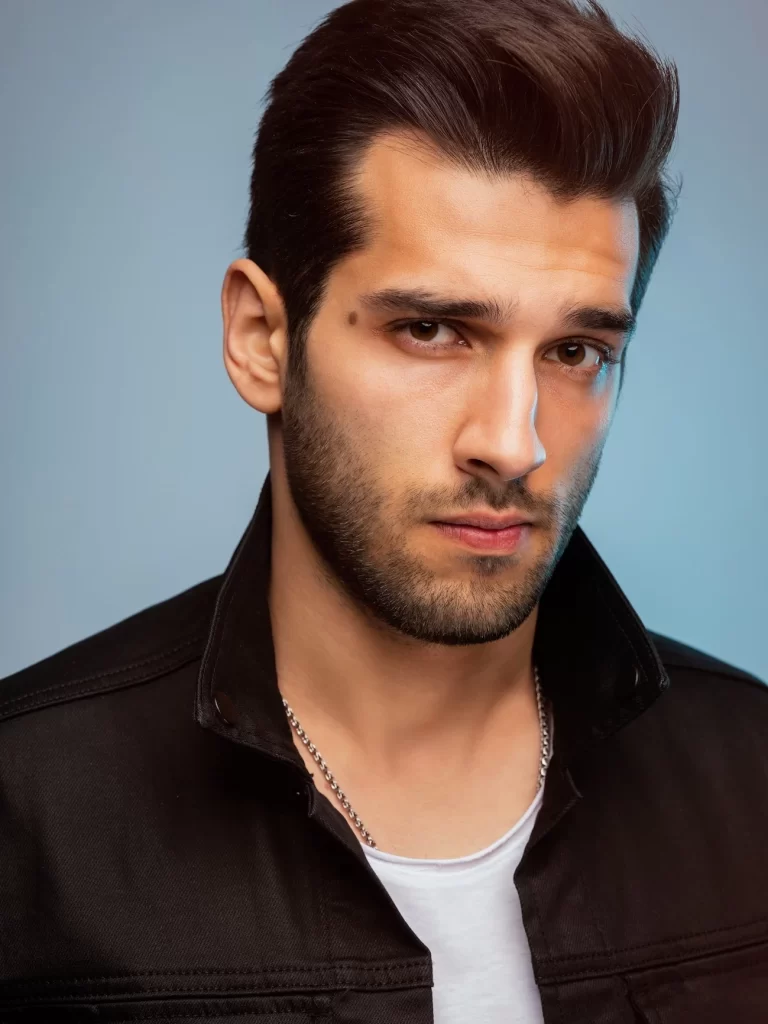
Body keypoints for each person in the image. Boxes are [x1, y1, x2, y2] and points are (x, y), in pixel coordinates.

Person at [1, 0, 767, 1020]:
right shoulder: (28, 815)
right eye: (432, 330)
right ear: (262, 339)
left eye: (576, 351)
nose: (515, 443)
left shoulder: (750, 775)